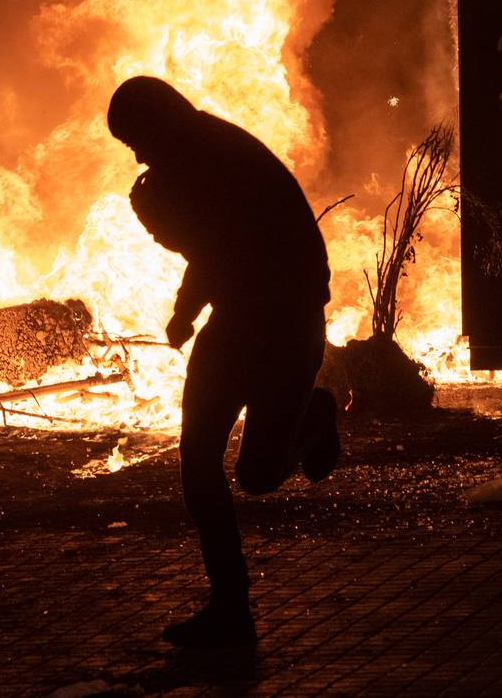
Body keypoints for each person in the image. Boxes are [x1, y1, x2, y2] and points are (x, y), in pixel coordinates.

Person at [107, 75, 339, 648]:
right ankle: (232, 608)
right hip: (243, 319)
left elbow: (214, 248)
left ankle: (314, 418)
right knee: (199, 462)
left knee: (256, 477)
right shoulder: (203, 150)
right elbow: (213, 250)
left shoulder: (207, 161)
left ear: (156, 123)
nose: (136, 154)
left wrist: (184, 312)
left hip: (281, 324)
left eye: (135, 139)